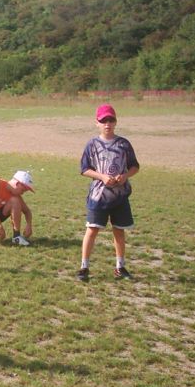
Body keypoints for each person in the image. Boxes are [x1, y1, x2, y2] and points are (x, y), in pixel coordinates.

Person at [77, 104, 140, 282]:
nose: (107, 124)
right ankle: (84, 267)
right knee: (92, 230)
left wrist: (125, 176)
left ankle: (120, 266)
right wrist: (102, 177)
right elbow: (84, 169)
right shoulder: (92, 145)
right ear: (97, 122)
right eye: (103, 120)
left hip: (120, 196)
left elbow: (135, 166)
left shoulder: (123, 144)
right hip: (99, 196)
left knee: (119, 231)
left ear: (116, 122)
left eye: (111, 120)